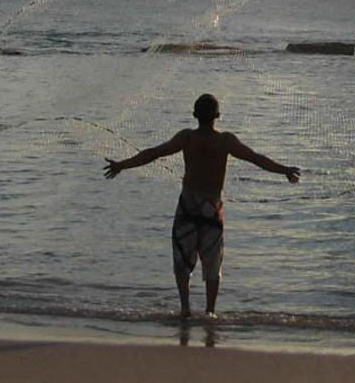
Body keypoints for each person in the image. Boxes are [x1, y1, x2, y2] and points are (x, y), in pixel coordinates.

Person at [103, 93, 300, 318]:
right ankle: (210, 311)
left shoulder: (187, 138)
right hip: (211, 208)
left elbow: (153, 154)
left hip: (188, 205)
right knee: (212, 262)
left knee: (182, 260)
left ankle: (185, 308)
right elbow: (256, 158)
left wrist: (122, 165)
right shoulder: (225, 141)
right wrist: (284, 170)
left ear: (195, 114)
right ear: (218, 115)